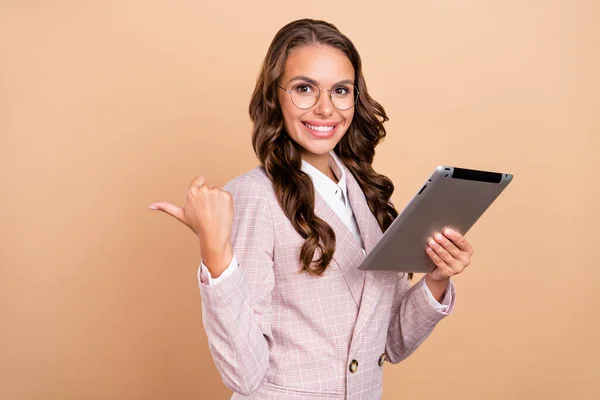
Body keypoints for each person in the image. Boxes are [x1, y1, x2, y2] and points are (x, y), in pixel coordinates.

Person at [148, 18, 473, 400]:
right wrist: (215, 254)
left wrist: (435, 280)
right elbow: (244, 373)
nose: (325, 109)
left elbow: (392, 344)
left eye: (340, 90)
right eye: (304, 88)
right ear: (275, 96)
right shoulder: (254, 196)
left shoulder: (365, 193)